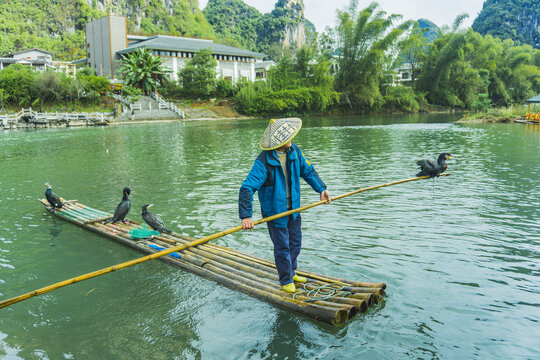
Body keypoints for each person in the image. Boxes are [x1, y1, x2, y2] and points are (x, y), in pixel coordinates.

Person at [238, 118, 331, 293]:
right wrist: (246, 216)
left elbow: (308, 171)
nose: (290, 140)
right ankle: (286, 279)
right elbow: (247, 188)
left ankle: (291, 271)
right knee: (282, 246)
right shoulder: (263, 162)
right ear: (278, 143)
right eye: (287, 138)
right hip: (275, 213)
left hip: (294, 209)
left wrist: (322, 189)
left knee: (295, 243)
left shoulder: (295, 152)